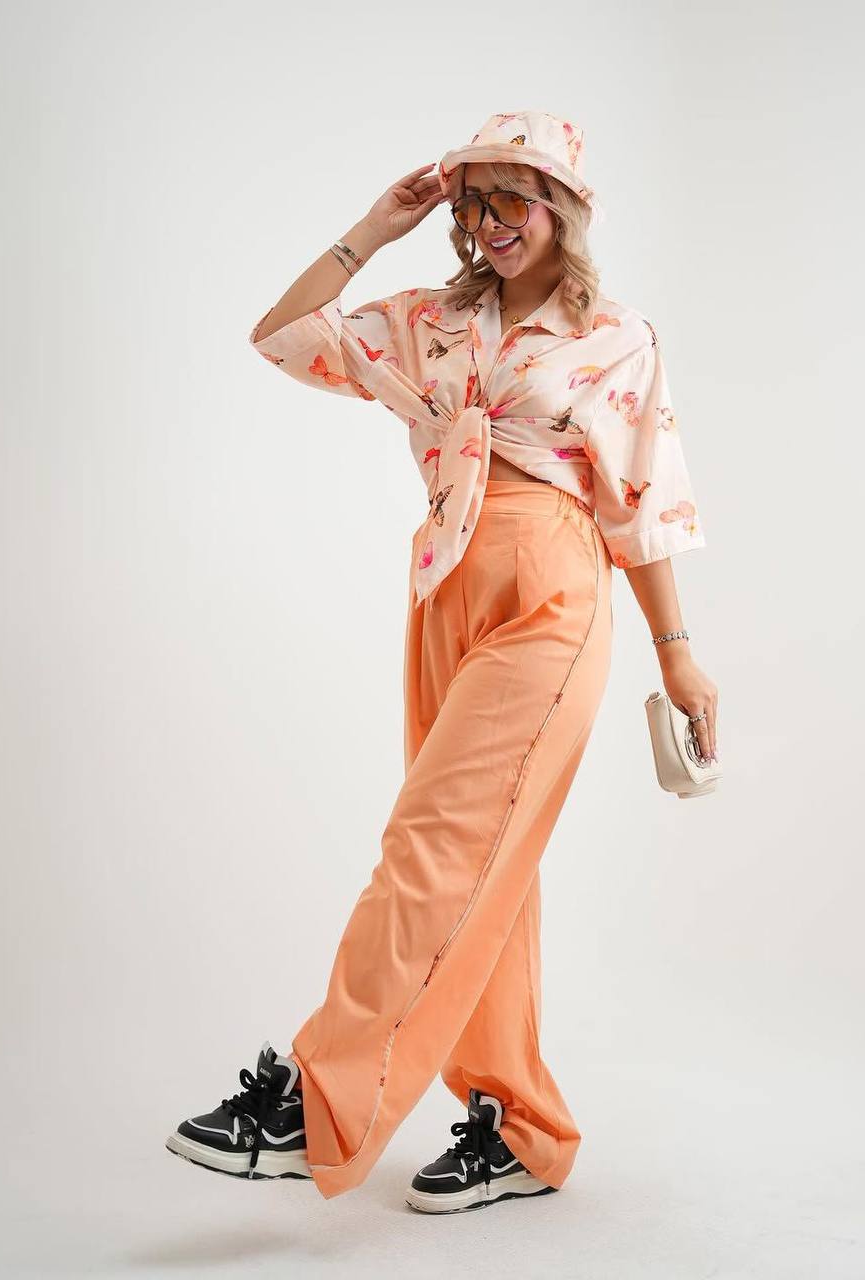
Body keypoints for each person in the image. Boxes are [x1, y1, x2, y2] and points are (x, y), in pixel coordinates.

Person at [165, 110, 718, 1215]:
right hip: (444, 584)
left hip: (551, 588)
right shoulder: (432, 320)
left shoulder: (615, 336)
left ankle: (316, 1100)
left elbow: (640, 504)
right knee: (482, 862)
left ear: (561, 209)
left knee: (431, 848)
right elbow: (283, 335)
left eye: (512, 198)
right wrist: (376, 227)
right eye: (473, 203)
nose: (489, 221)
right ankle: (518, 1127)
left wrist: (678, 657)